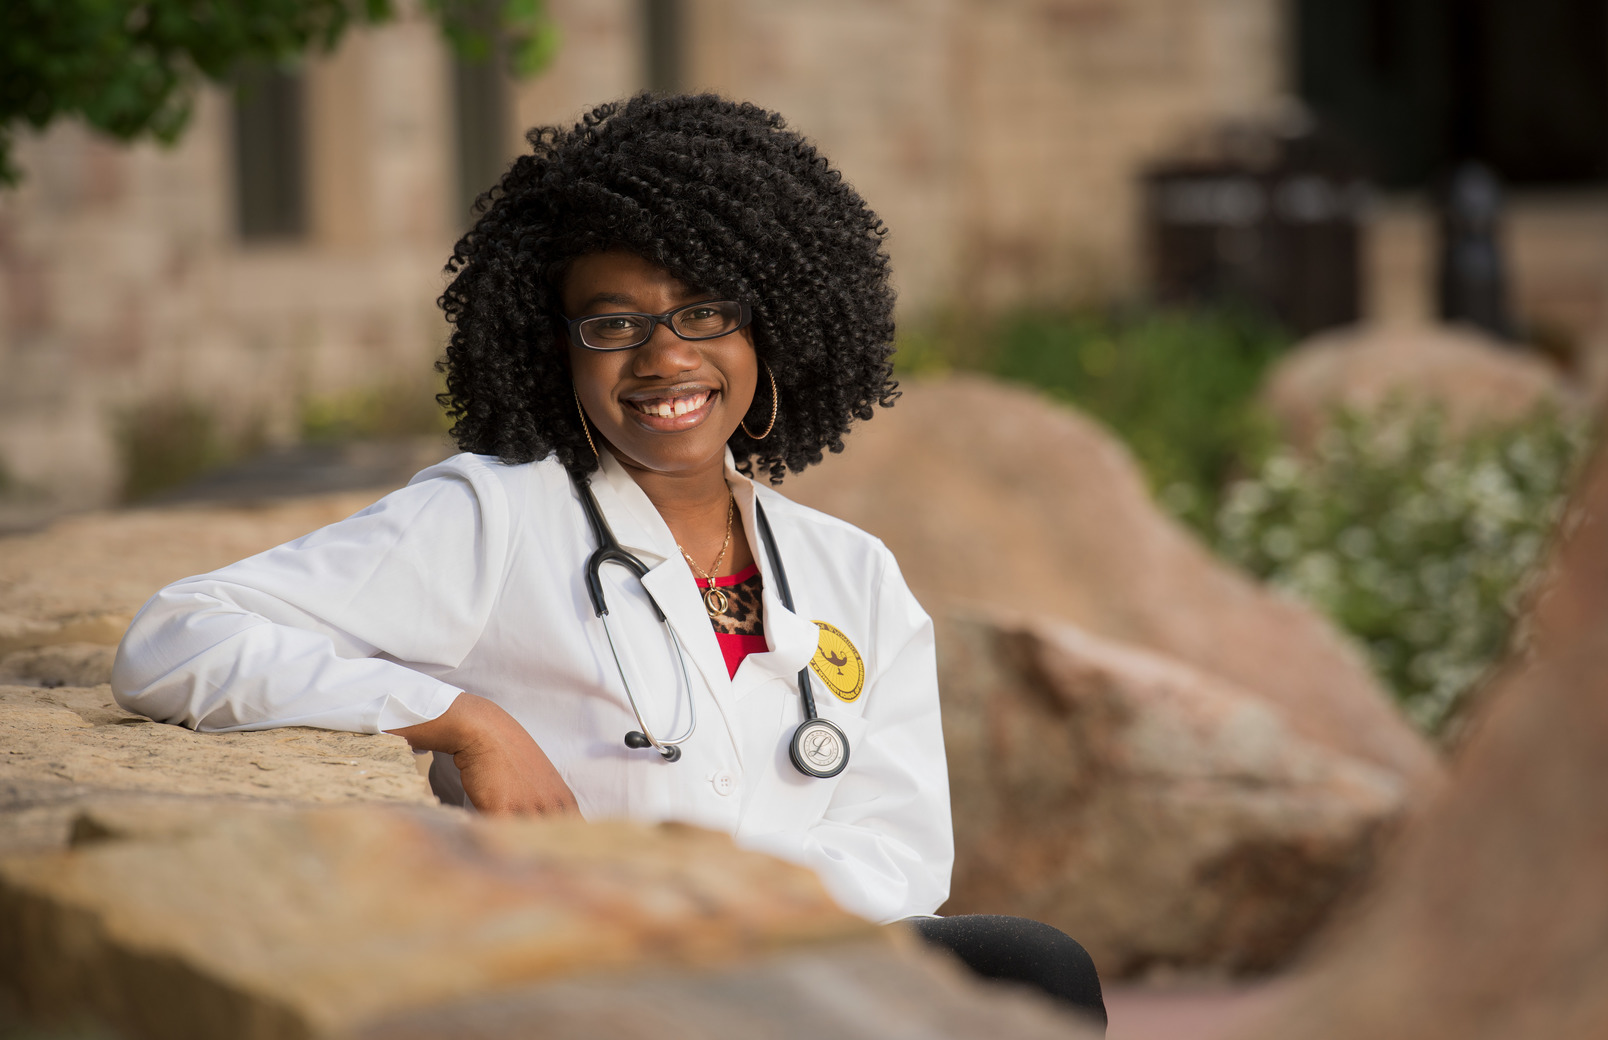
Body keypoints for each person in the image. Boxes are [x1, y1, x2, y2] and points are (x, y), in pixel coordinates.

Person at [111, 93, 1104, 1029]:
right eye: (615, 322)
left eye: (704, 312)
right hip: (596, 957)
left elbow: (901, 847)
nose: (665, 358)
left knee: (1036, 963)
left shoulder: (851, 569)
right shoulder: (493, 515)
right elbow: (177, 636)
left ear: (773, 327)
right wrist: (463, 720)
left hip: (800, 952)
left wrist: (750, 919)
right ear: (559, 350)